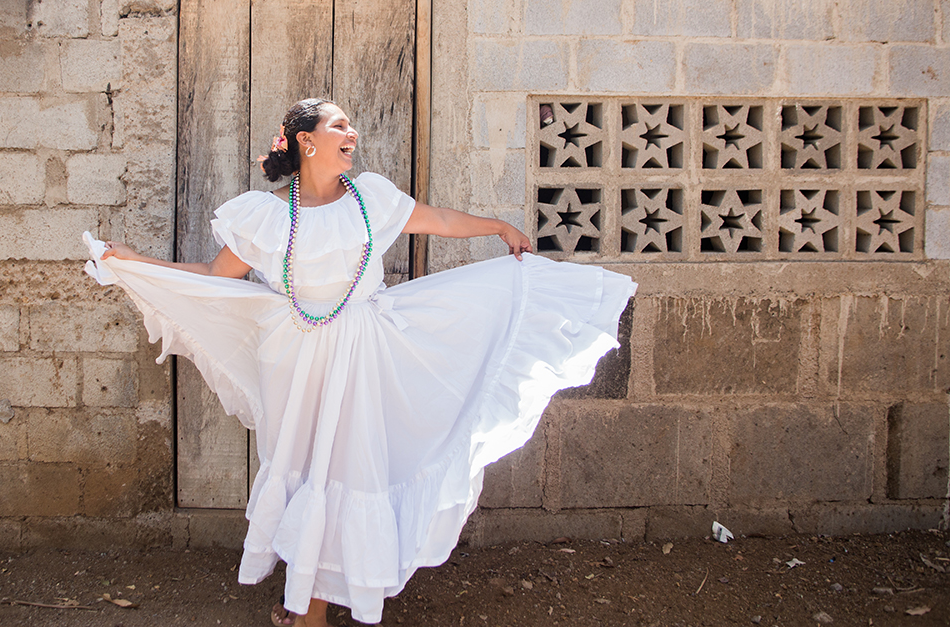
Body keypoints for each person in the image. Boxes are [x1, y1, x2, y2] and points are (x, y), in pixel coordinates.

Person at [84, 98, 636, 626]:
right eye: (339, 127)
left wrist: (497, 226)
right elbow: (212, 275)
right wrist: (139, 262)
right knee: (304, 470)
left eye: (352, 128)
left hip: (365, 350)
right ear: (306, 141)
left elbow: (437, 219)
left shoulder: (369, 197)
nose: (352, 136)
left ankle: (314, 608)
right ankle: (305, 596)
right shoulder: (265, 215)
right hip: (295, 360)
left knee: (344, 470)